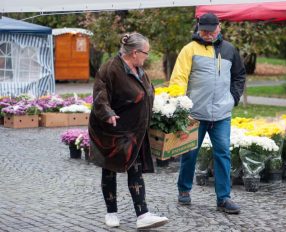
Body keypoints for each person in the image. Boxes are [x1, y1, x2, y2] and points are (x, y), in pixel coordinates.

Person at [88, 32, 169, 229]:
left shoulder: (140, 70)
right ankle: (111, 212)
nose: (147, 57)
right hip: (111, 130)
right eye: (146, 53)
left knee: (135, 168)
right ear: (134, 52)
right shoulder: (109, 68)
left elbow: (147, 93)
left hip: (134, 130)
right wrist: (107, 113)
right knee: (110, 169)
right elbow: (100, 96)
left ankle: (142, 214)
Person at [170, 13, 246, 214]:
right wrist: (180, 106)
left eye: (211, 31)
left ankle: (224, 198)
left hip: (222, 114)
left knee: (223, 154)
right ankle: (184, 190)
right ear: (198, 28)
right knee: (189, 153)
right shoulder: (189, 49)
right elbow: (178, 78)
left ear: (219, 28)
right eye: (204, 31)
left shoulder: (229, 50)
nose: (208, 34)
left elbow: (239, 75)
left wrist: (233, 98)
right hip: (194, 114)